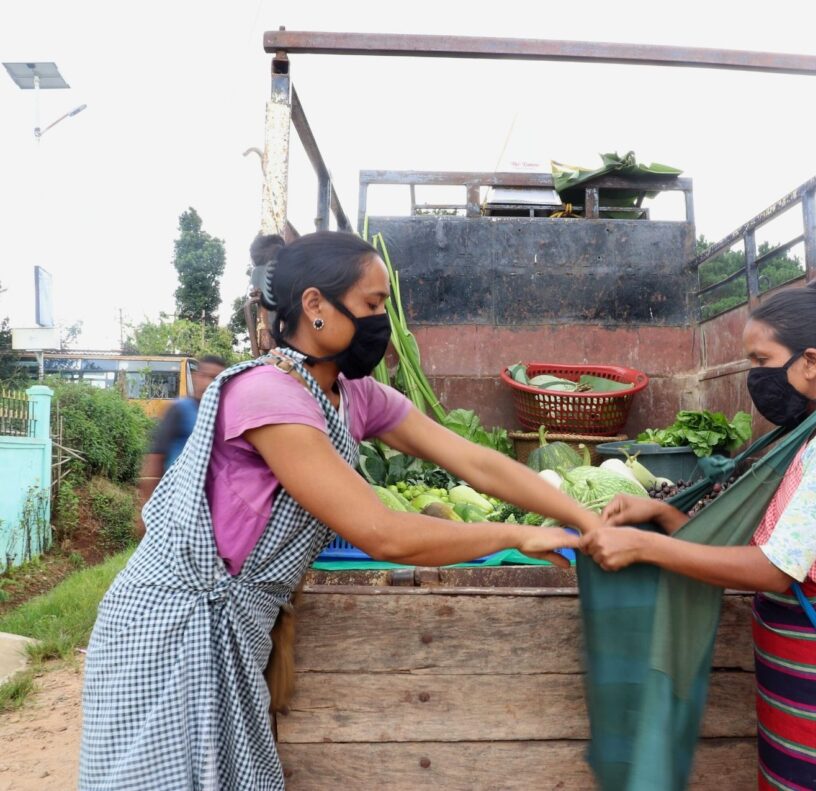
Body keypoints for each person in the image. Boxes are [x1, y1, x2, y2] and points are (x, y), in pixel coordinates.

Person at [80, 230, 596, 791]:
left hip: (232, 625)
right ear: (315, 306)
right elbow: (382, 534)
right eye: (373, 305)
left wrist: (583, 519)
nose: (382, 323)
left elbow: (476, 462)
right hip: (172, 629)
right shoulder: (267, 394)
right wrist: (516, 537)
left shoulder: (354, 395)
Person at [581, 272, 816, 790]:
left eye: (762, 361)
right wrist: (664, 518)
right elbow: (772, 549)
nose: (754, 376)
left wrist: (646, 545)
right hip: (806, 664)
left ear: (809, 362)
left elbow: (773, 569)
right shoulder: (813, 431)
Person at [138, 354, 227, 505]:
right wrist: (147, 506)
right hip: (175, 496)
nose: (208, 383)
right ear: (196, 377)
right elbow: (155, 457)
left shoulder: (221, 414)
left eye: (215, 378)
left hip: (207, 500)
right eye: (205, 376)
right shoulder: (179, 409)